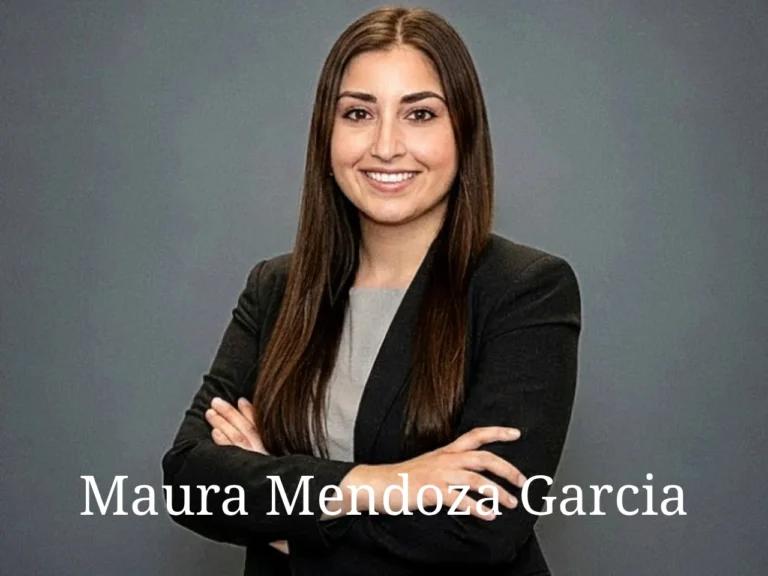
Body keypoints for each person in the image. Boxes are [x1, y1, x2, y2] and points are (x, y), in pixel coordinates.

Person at [161, 5, 581, 575]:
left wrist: (281, 516)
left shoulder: (525, 289)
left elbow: (482, 531)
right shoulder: (276, 289)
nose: (385, 146)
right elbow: (191, 479)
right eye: (359, 113)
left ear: (464, 132)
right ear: (327, 133)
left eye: (420, 114)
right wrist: (384, 483)